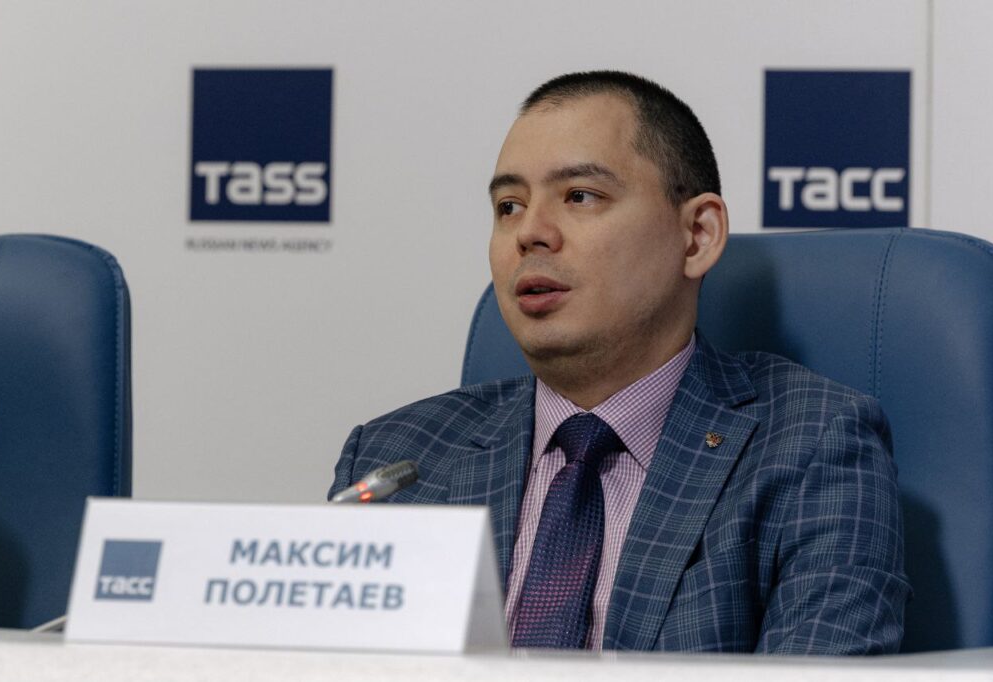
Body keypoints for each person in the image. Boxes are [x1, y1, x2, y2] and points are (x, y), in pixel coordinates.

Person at [329, 71, 909, 654]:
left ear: (697, 235)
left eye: (580, 196)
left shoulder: (813, 445)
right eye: (509, 206)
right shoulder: (394, 461)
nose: (529, 232)